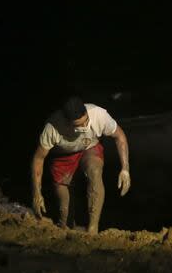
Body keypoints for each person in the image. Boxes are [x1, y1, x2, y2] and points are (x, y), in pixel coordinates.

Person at [30, 97, 131, 233]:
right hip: (63, 158)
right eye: (78, 125)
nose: (84, 127)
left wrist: (125, 169)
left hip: (89, 149)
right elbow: (38, 158)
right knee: (65, 217)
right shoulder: (53, 127)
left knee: (94, 171)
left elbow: (120, 136)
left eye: (86, 122)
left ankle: (92, 229)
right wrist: (37, 192)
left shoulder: (98, 114)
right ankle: (68, 225)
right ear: (67, 122)